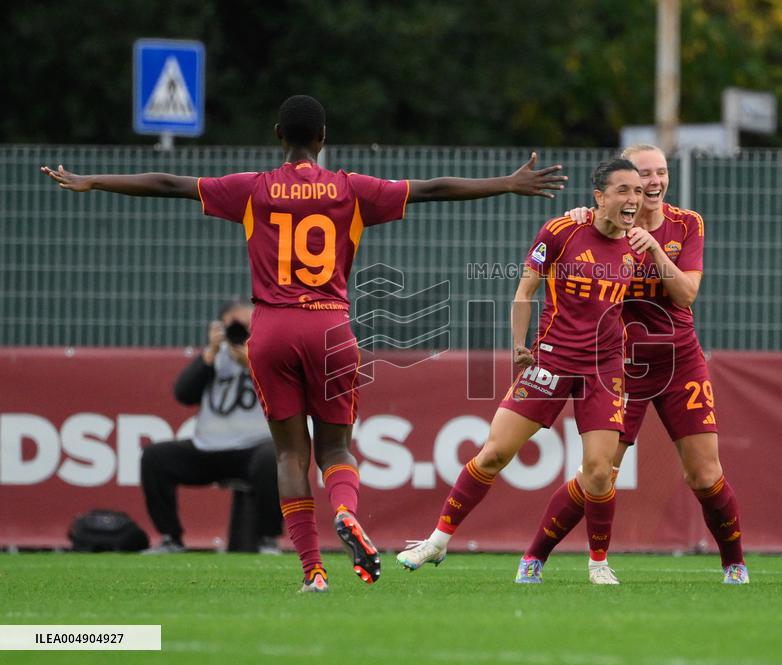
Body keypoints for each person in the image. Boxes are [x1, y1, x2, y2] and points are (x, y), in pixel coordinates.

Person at [41, 94, 567, 593]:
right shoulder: (351, 188)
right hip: (330, 327)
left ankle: (313, 571)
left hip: (271, 329)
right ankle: (345, 510)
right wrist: (507, 182)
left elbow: (168, 181)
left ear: (278, 136)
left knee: (291, 452)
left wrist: (92, 181)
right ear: (322, 137)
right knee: (335, 447)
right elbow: (432, 189)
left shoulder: (252, 187)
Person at [396, 158, 643, 584]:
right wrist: (517, 344)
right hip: (550, 358)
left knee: (601, 472)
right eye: (624, 190)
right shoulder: (562, 231)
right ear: (599, 196)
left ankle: (598, 563)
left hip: (604, 368)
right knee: (493, 453)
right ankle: (436, 542)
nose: (633, 199)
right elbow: (525, 289)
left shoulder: (640, 247)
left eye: (637, 192)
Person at [515, 144, 748, 585]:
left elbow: (686, 295)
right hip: (620, 366)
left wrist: (656, 251)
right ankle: (534, 557)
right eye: (643, 176)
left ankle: (735, 564)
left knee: (705, 474)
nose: (654, 183)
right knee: (598, 473)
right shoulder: (595, 226)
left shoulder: (687, 224)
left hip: (679, 361)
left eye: (661, 173)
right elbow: (554, 273)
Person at [141, 299, 282, 555]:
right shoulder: (215, 356)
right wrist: (210, 354)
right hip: (209, 449)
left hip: (253, 450)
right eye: (237, 325)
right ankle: (171, 538)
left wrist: (253, 364)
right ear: (221, 326)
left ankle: (268, 539)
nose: (244, 331)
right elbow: (183, 394)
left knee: (273, 457)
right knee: (155, 457)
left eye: (252, 325)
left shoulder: (272, 354)